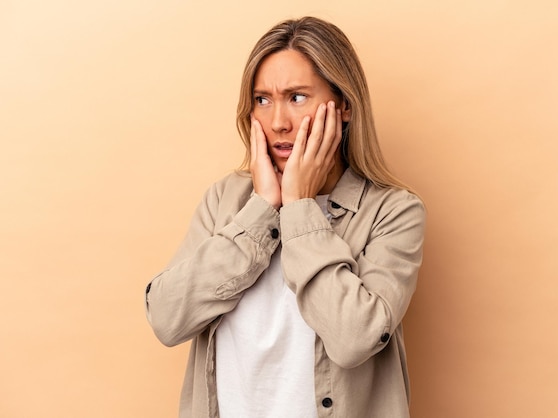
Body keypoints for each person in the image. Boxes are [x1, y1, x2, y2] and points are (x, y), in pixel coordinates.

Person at [145, 16, 425, 418]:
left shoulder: (394, 212)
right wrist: (261, 211)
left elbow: (353, 338)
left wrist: (298, 207)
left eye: (297, 97)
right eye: (262, 99)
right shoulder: (226, 199)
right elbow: (167, 318)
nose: (278, 122)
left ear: (344, 105)